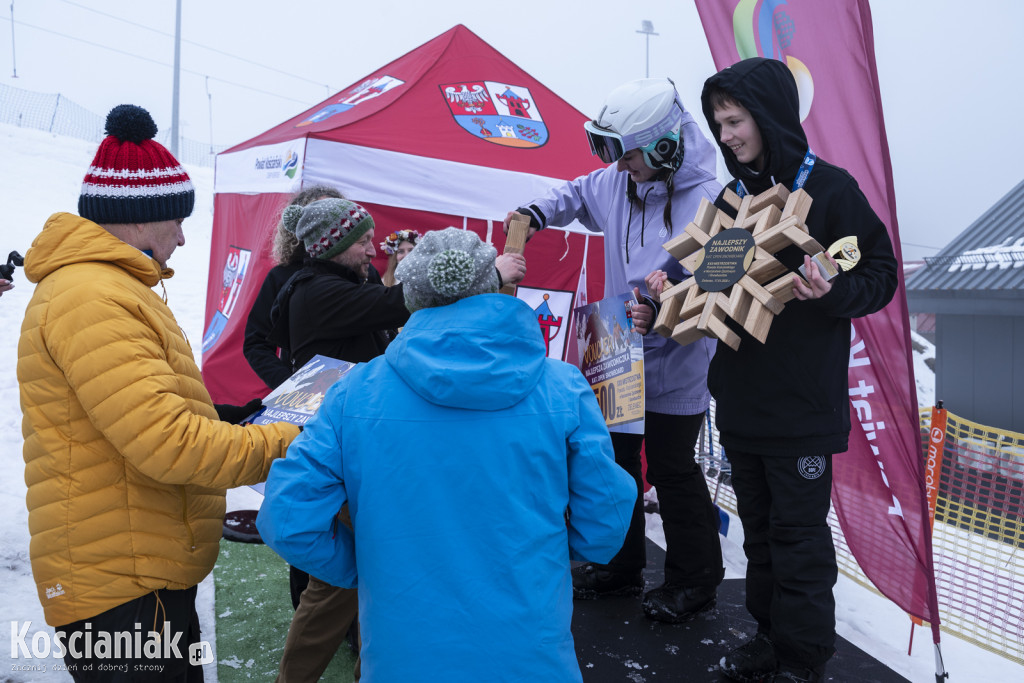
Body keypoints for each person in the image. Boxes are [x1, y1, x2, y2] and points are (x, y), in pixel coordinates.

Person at [257, 227, 635, 682]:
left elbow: (288, 516)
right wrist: (550, 553)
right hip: (528, 651)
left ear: (413, 299)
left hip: (404, 656)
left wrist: (364, 567)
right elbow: (607, 520)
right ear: (490, 287)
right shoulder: (561, 385)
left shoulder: (355, 393)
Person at [17, 104, 301, 682]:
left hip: (140, 571)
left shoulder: (111, 287)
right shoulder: (91, 298)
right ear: (142, 218)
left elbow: (147, 409)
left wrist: (237, 417)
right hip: (121, 590)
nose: (182, 236)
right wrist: (295, 438)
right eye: (177, 220)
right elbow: (172, 446)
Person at [264, 201, 529, 681]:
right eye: (362, 241)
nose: (374, 247)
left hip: (359, 448)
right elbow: (396, 302)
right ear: (335, 246)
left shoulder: (337, 285)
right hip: (345, 453)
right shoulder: (318, 291)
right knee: (336, 590)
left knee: (356, 590)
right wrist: (486, 271)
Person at [696, 58, 898, 683]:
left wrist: (831, 291)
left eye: (734, 120)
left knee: (799, 543)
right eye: (718, 123)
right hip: (742, 402)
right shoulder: (733, 199)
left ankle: (804, 658)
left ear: (770, 116)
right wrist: (667, 297)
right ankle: (768, 638)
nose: (726, 135)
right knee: (758, 536)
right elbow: (714, 288)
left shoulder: (832, 190)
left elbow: (880, 275)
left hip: (803, 410)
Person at [504, 77, 725, 623]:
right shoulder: (618, 182)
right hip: (617, 344)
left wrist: (666, 317)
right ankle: (621, 567)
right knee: (615, 465)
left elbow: (717, 286)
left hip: (676, 355)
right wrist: (535, 212)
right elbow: (578, 191)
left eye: (625, 156)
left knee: (672, 469)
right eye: (609, 153)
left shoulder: (711, 202)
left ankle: (694, 582)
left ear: (664, 149)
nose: (618, 167)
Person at [243, 184, 346, 392]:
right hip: (306, 399)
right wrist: (290, 385)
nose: (324, 219)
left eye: (332, 211)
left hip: (357, 392)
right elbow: (256, 343)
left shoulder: (363, 271)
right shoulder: (281, 276)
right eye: (317, 212)